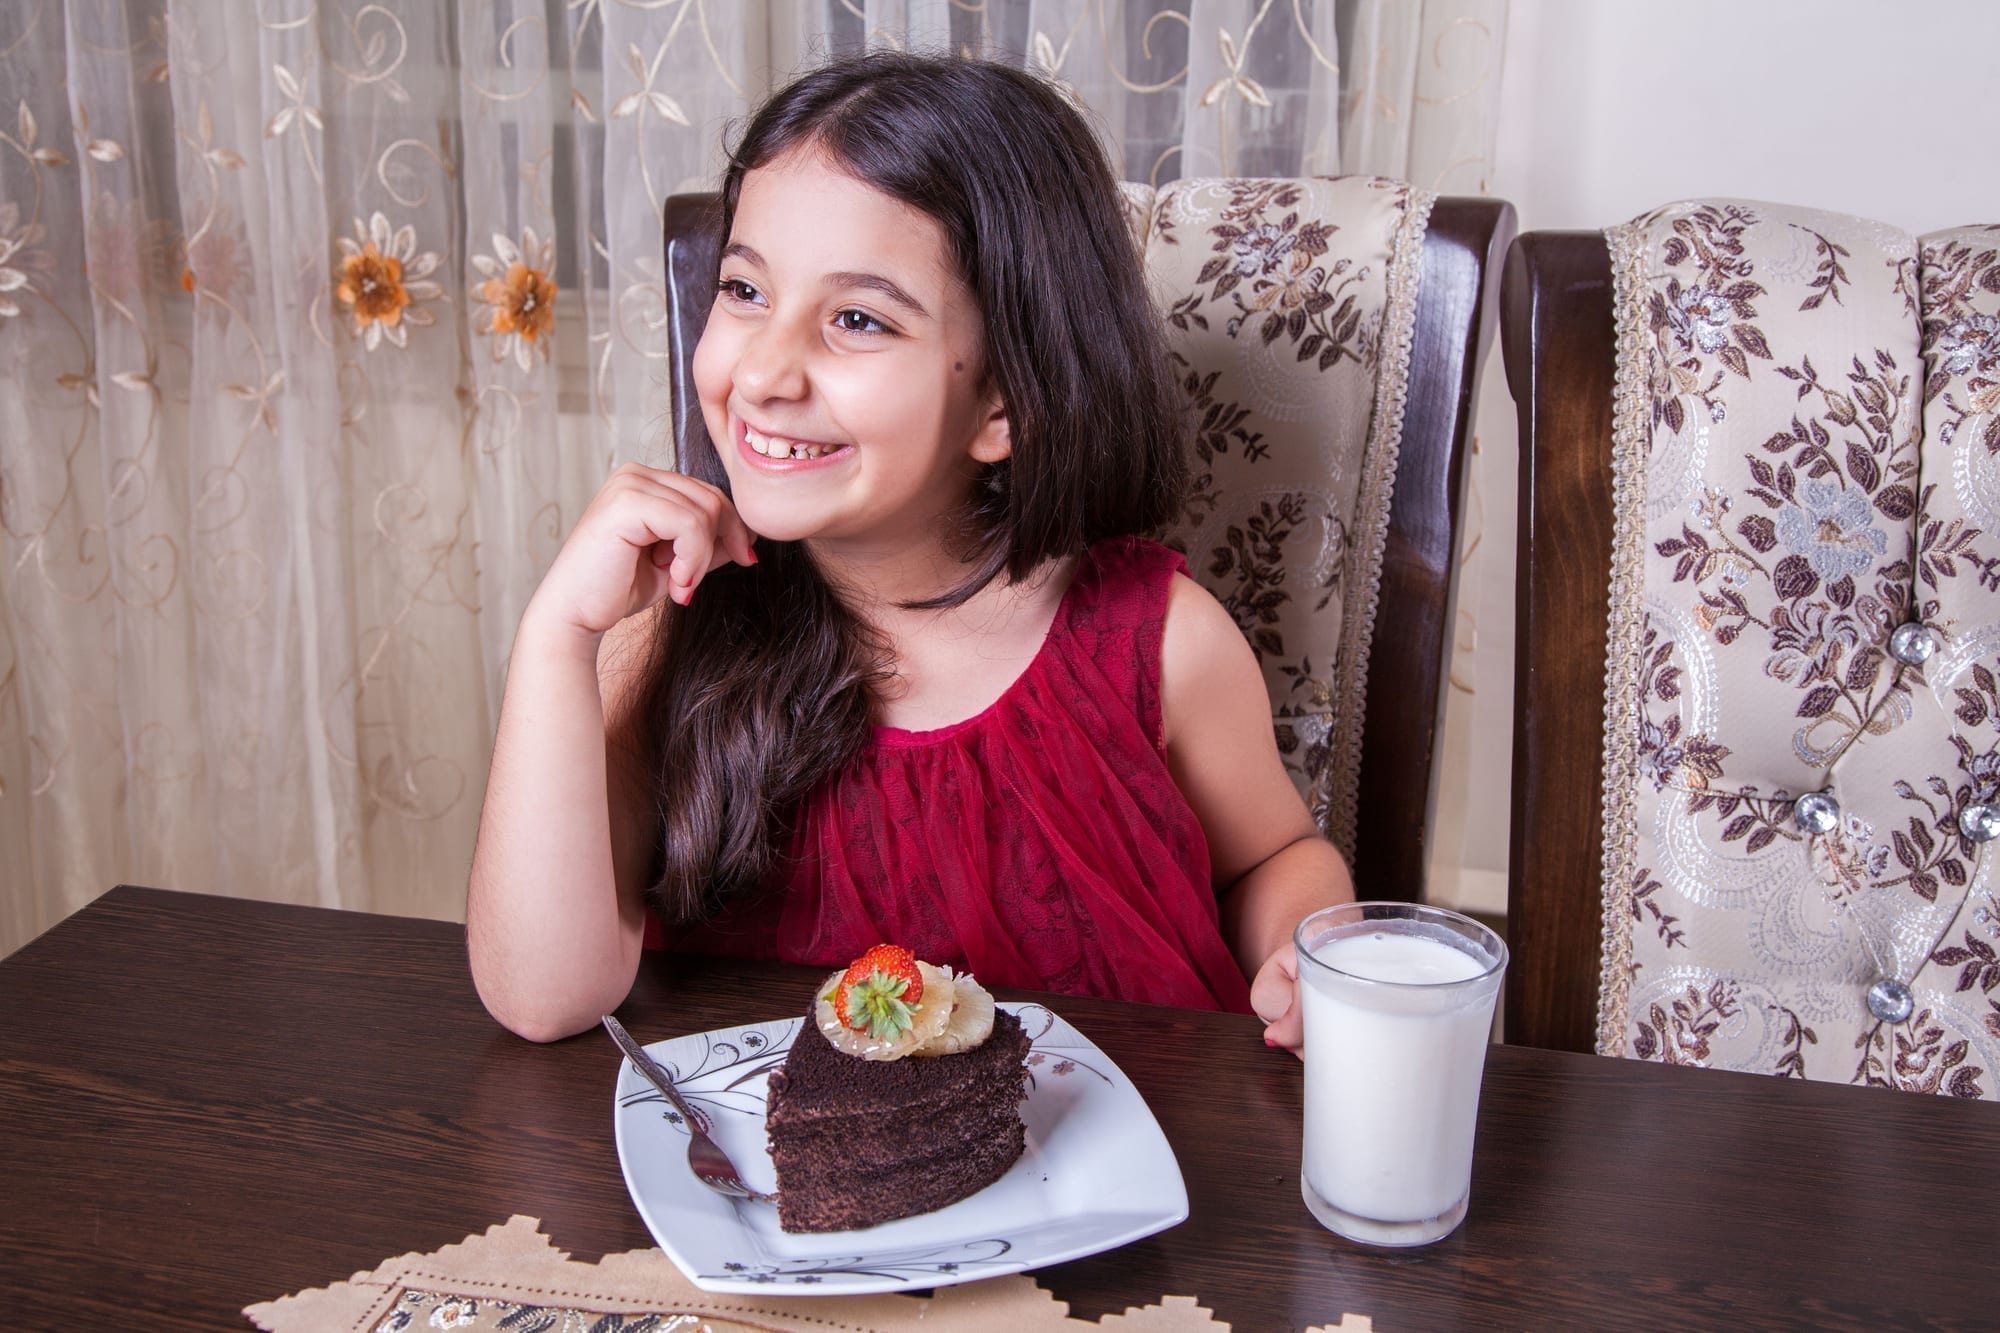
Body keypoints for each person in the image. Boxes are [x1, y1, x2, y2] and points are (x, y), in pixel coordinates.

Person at [466, 51, 1354, 1050]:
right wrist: (557, 639)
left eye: (855, 319)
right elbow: (544, 997)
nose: (762, 370)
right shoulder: (666, 628)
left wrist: (1308, 948)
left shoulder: (1157, 643)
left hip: (1131, 1167)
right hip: (790, 1183)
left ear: (1003, 400)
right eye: (745, 290)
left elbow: (1269, 856)